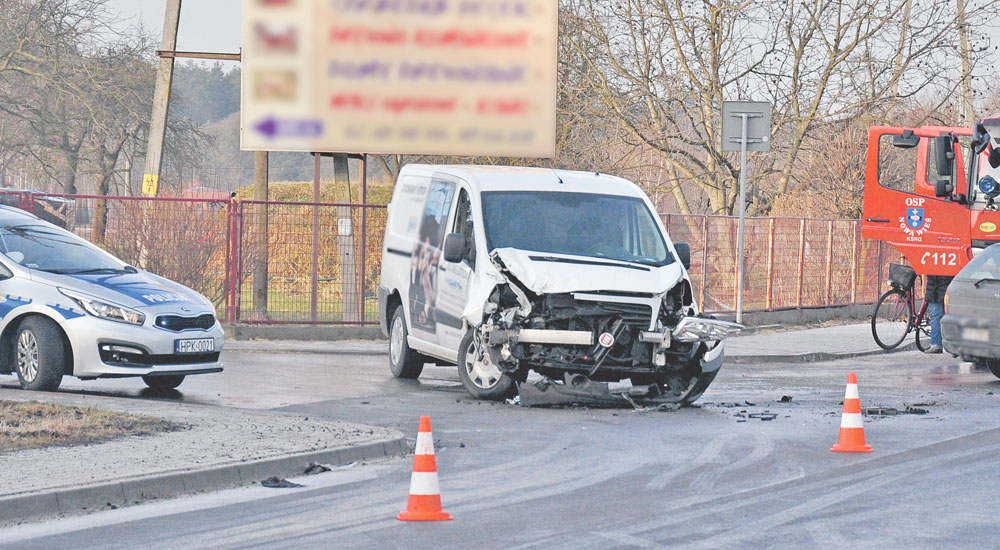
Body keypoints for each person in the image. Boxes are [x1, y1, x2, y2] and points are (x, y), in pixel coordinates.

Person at [924, 274, 953, 354]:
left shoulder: (932, 262)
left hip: (935, 288)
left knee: (936, 316)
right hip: (939, 288)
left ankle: (936, 345)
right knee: (946, 317)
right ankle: (948, 345)